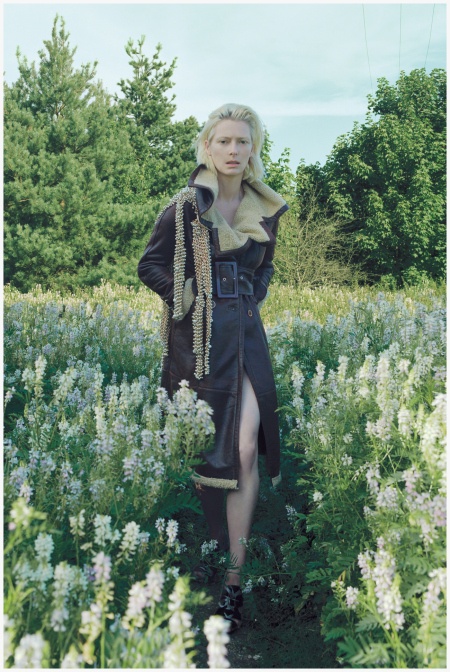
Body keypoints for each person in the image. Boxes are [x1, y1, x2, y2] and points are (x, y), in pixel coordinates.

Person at [137, 103, 288, 632]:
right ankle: (213, 544)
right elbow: (150, 264)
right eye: (223, 141)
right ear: (207, 146)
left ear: (253, 149)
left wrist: (248, 295)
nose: (232, 150)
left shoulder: (264, 208)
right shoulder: (184, 206)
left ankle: (233, 581)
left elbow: (264, 269)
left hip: (246, 337)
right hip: (197, 342)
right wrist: (184, 296)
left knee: (246, 445)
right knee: (208, 454)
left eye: (242, 142)